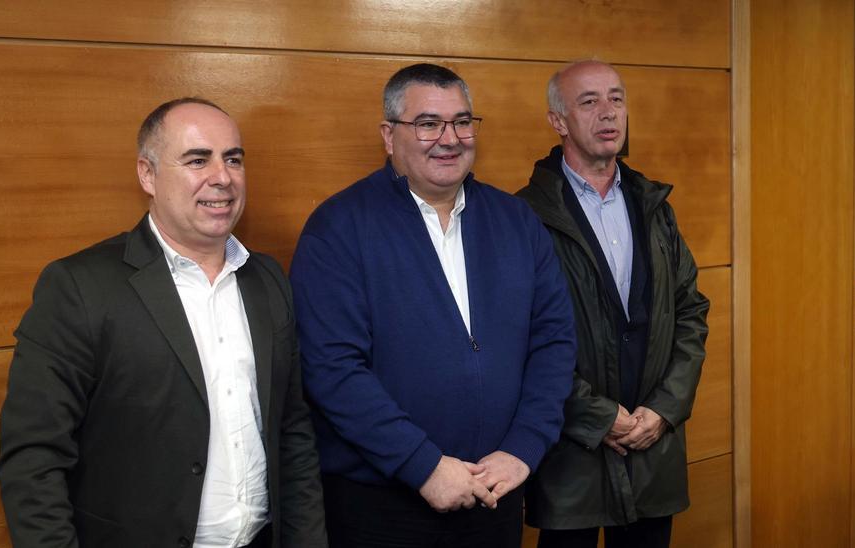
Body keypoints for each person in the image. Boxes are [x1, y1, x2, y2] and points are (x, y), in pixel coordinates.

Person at [0, 97, 326, 548]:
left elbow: (292, 431)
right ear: (147, 175)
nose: (223, 177)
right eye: (197, 160)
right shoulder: (80, 287)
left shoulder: (267, 279)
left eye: (233, 159)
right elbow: (33, 461)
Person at [288, 63, 576, 548]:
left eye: (462, 122)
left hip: (496, 493)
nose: (450, 139)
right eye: (428, 124)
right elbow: (331, 368)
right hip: (381, 506)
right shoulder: (338, 228)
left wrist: (524, 448)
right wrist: (421, 465)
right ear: (389, 136)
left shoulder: (517, 221)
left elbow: (554, 342)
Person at [515, 60, 710, 548]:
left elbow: (690, 312)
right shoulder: (523, 216)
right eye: (589, 101)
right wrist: (597, 417)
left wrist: (664, 409)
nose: (608, 112)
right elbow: (516, 338)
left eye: (616, 99)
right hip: (571, 456)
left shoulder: (654, 206)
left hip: (652, 446)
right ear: (558, 121)